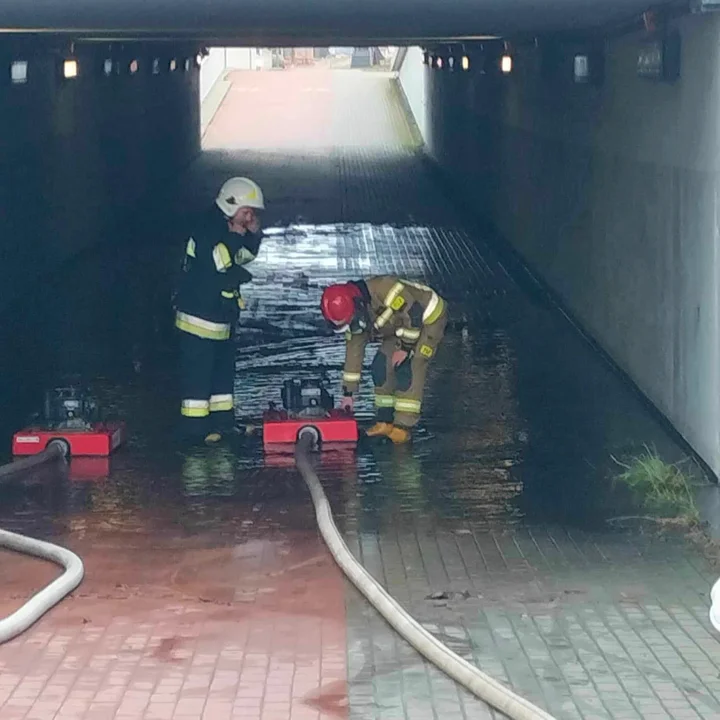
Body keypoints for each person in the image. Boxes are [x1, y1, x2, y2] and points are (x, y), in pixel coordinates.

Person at [174, 177, 265, 445]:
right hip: (198, 320)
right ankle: (194, 431)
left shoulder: (232, 227)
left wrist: (253, 235)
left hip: (221, 319)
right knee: (198, 381)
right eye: (247, 212)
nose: (250, 217)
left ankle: (224, 425)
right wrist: (236, 236)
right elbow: (218, 261)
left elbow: (243, 257)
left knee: (223, 377)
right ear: (230, 205)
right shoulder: (206, 228)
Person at [320, 276, 447, 444]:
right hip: (401, 328)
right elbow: (354, 352)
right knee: (381, 365)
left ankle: (404, 427)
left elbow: (414, 314)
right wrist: (348, 394)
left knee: (409, 366)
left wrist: (405, 348)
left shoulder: (385, 289)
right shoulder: (356, 315)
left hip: (428, 319)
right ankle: (385, 422)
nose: (351, 325)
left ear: (357, 306)